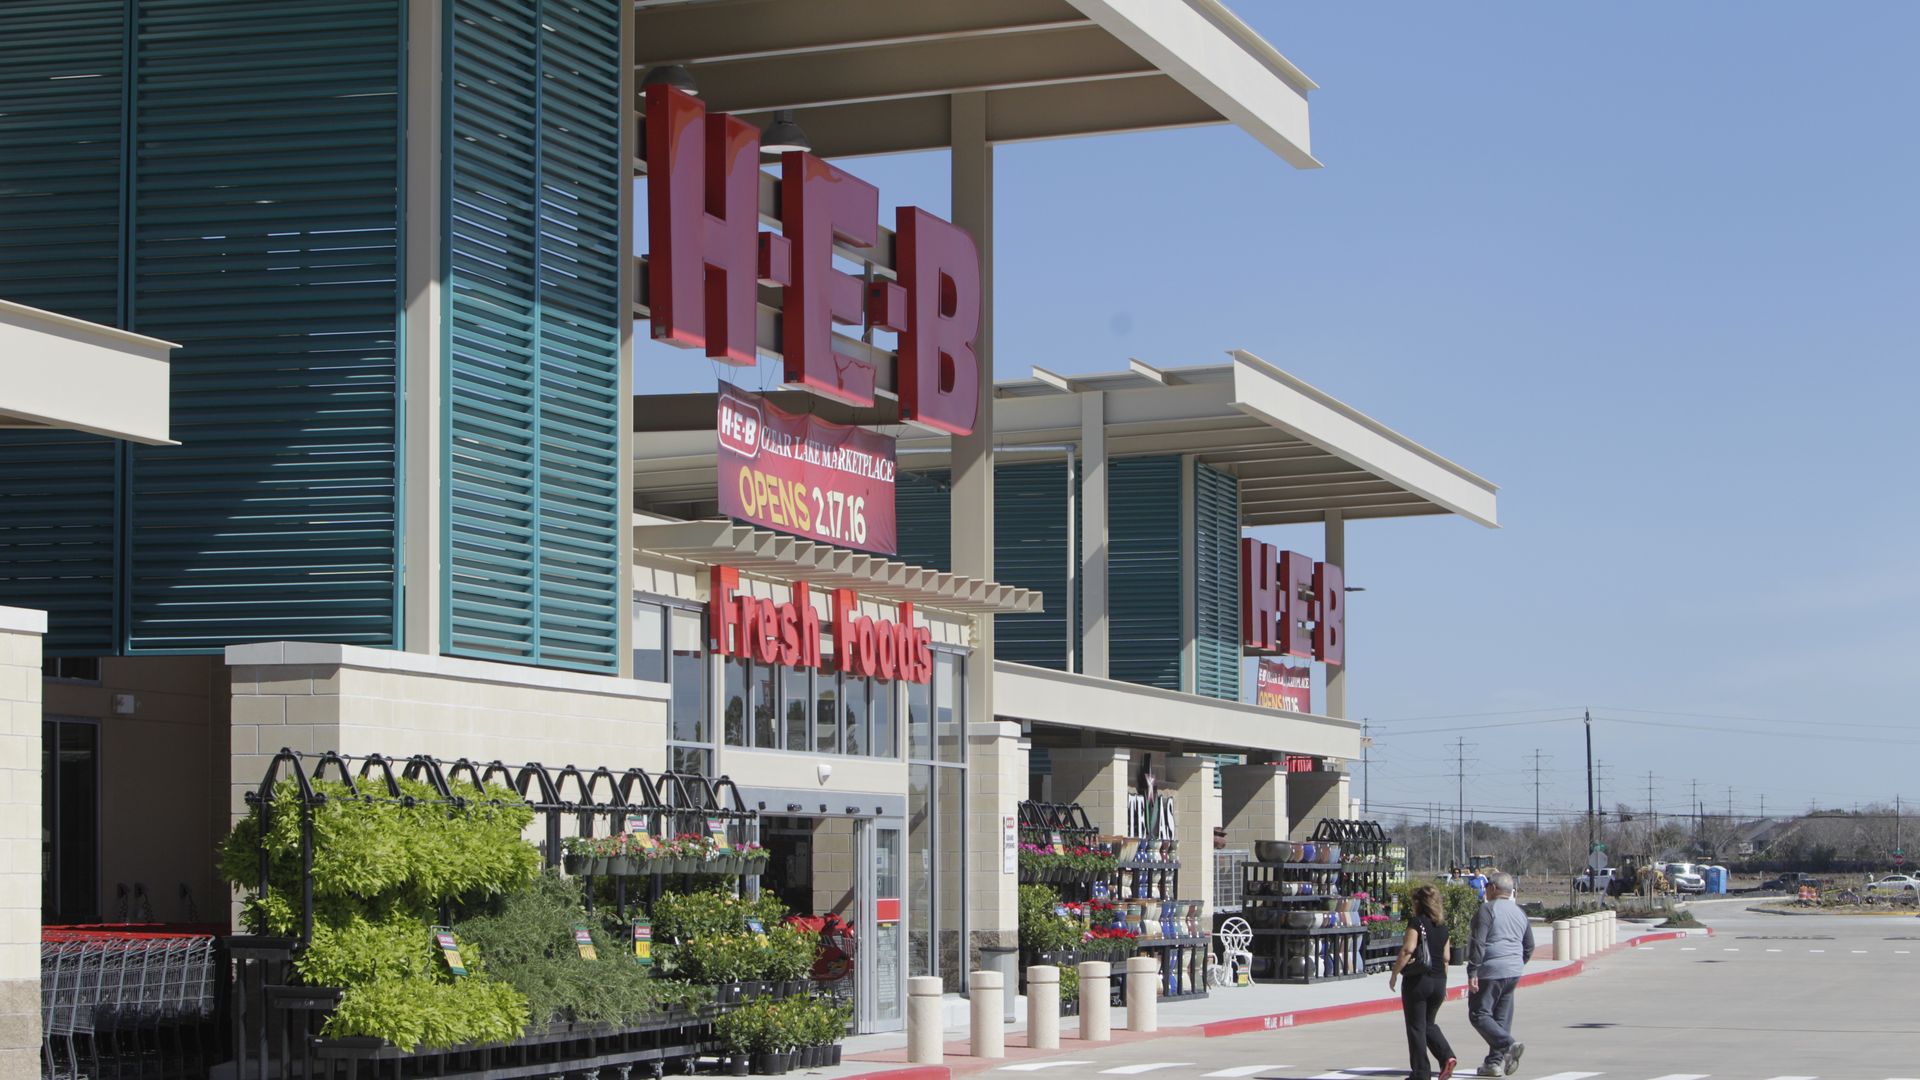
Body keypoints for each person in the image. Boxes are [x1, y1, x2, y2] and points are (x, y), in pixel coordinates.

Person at [1467, 872, 1534, 1076]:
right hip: (1513, 970)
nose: (1486, 889)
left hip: (1491, 969)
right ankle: (1494, 1063)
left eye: (1487, 886)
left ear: (1494, 888)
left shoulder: (1487, 909)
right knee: (1501, 1018)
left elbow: (1479, 942)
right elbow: (1529, 946)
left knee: (1479, 1014)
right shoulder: (1519, 912)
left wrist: (1473, 970)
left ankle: (1509, 1045)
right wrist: (1516, 962)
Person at [1389, 885, 1457, 1080]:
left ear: (1419, 902)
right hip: (1438, 980)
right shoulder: (1443, 926)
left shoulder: (1417, 922)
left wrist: (1395, 973)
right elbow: (1446, 957)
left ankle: (1421, 1073)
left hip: (1419, 981)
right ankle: (1447, 1057)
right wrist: (1443, 984)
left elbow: (1408, 949)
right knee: (1428, 1024)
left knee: (1416, 1027)